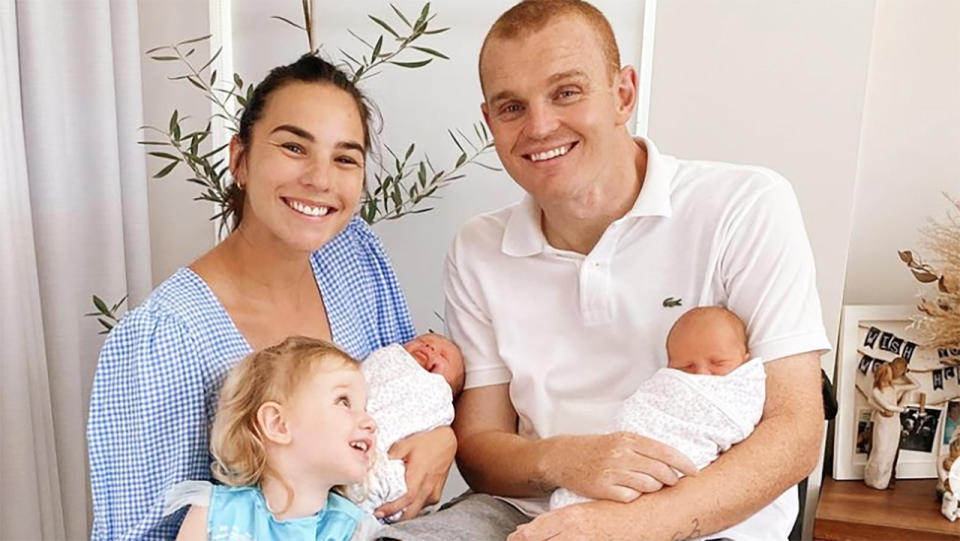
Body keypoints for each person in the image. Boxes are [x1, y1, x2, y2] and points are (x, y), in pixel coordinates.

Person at [384, 1, 831, 539]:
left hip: (703, 517)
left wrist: (631, 524)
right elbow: (480, 447)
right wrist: (572, 461)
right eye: (511, 108)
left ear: (623, 94)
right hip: (524, 513)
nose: (540, 126)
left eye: (566, 92)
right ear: (490, 123)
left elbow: (797, 429)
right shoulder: (477, 247)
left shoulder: (745, 205)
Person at [86, 54, 456, 540]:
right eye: (294, 147)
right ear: (240, 159)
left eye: (345, 158)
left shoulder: (355, 256)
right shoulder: (161, 341)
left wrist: (441, 437)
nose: (321, 179)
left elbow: (405, 392)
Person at [549, 306, 765, 514]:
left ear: (745, 360)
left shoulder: (743, 388)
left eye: (718, 363)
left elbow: (743, 422)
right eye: (685, 368)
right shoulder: (660, 390)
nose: (702, 375)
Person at [164, 337, 381, 541]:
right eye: (343, 401)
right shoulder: (213, 514)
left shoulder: (355, 530)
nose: (370, 421)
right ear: (277, 424)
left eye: (364, 407)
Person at [348, 333, 465, 519]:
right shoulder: (388, 357)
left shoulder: (435, 391)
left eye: (443, 356)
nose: (430, 348)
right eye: (423, 341)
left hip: (385, 460)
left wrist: (446, 438)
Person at [863, 357, 919, 490]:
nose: (897, 373)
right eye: (896, 369)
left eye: (901, 370)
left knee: (890, 451)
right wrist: (890, 409)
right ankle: (872, 478)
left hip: (893, 421)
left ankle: (885, 480)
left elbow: (916, 385)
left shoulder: (895, 387)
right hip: (881, 420)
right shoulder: (877, 388)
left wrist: (907, 373)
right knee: (879, 450)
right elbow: (873, 401)